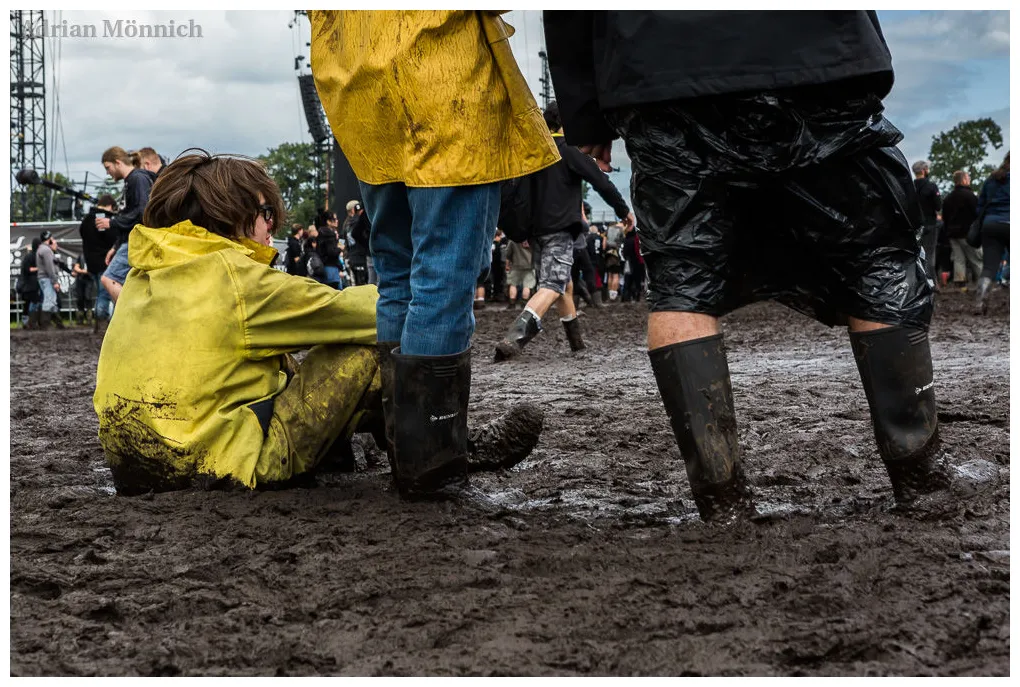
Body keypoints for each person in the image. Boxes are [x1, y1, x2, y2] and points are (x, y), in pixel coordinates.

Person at [545, 10, 950, 522]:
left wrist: (585, 111)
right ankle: (921, 475)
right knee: (876, 258)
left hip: (658, 65)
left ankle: (723, 500)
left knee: (683, 282)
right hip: (810, 46)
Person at [310, 10, 555, 499]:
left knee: (398, 275)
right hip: (443, 85)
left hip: (360, 89)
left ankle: (408, 445)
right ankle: (433, 465)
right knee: (442, 275)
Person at [494, 101, 633, 361]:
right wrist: (624, 211)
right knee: (553, 285)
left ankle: (576, 344)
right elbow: (600, 181)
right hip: (559, 228)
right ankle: (514, 337)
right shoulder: (567, 150)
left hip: (534, 232)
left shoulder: (533, 151)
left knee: (564, 285)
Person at [97, 146, 154, 306]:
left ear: (117, 162)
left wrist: (112, 222)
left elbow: (142, 211)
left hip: (138, 239)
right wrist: (116, 246)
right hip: (132, 239)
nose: (108, 173)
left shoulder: (137, 179)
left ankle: (130, 317)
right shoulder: (134, 180)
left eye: (108, 168)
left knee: (109, 279)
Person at [974, 152, 1010, 315]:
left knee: (989, 266)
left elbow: (980, 206)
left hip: (991, 224)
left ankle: (980, 299)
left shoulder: (991, 179)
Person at [79, 194, 118, 330]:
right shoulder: (103, 219)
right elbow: (112, 237)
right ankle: (102, 322)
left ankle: (99, 322)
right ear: (110, 206)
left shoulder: (86, 220)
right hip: (105, 262)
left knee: (100, 292)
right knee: (104, 294)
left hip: (92, 263)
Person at [941, 170, 982, 289]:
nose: (969, 180)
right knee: (976, 260)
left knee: (959, 260)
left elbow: (945, 217)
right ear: (963, 180)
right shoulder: (970, 196)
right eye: (968, 178)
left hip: (953, 234)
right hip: (967, 233)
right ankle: (983, 283)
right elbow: (978, 214)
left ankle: (960, 285)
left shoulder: (948, 197)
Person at [912, 159, 942, 280]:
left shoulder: (910, 187)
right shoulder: (931, 187)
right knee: (929, 254)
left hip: (914, 226)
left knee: (917, 253)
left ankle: (918, 280)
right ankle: (931, 281)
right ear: (924, 171)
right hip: (930, 224)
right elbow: (938, 206)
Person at [35, 231, 65, 329]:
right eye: (52, 238)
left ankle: (58, 323)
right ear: (49, 239)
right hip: (47, 278)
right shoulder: (47, 250)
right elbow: (49, 267)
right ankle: (44, 325)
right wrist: (55, 281)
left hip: (43, 278)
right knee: (49, 301)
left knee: (52, 300)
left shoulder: (41, 248)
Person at [16, 238, 43, 329]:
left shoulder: (32, 255)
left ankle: (28, 322)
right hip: (28, 285)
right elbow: (28, 269)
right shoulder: (30, 256)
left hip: (30, 285)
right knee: (33, 302)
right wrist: (40, 268)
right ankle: (30, 322)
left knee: (28, 303)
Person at [344, 200, 372, 286]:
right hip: (362, 255)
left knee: (356, 284)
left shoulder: (345, 224)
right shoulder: (360, 221)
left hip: (351, 257)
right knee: (369, 283)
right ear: (353, 209)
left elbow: (344, 240)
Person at [314, 209, 344, 289]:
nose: (337, 221)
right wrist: (340, 248)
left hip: (324, 267)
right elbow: (331, 252)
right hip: (331, 269)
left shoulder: (321, 233)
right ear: (328, 221)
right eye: (334, 219)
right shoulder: (329, 234)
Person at [505, 239, 536, 310]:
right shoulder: (531, 239)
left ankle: (512, 304)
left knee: (513, 284)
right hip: (529, 265)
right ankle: (524, 304)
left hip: (515, 265)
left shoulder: (513, 239)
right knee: (527, 285)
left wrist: (507, 265)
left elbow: (508, 253)